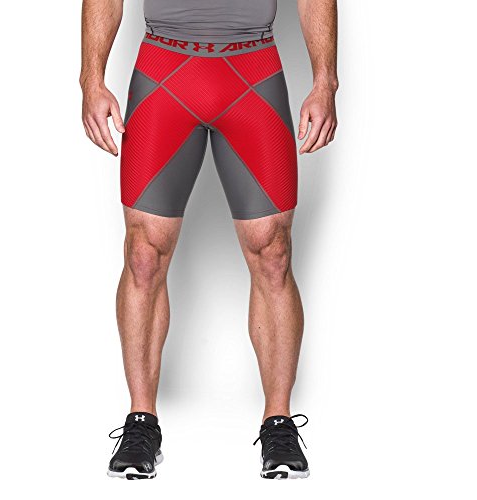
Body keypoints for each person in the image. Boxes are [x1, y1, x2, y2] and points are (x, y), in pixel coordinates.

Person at [80, 0, 338, 480]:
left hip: (252, 69)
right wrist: (91, 79)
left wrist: (325, 81)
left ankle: (279, 423)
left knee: (273, 252)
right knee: (143, 253)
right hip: (164, 69)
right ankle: (141, 422)